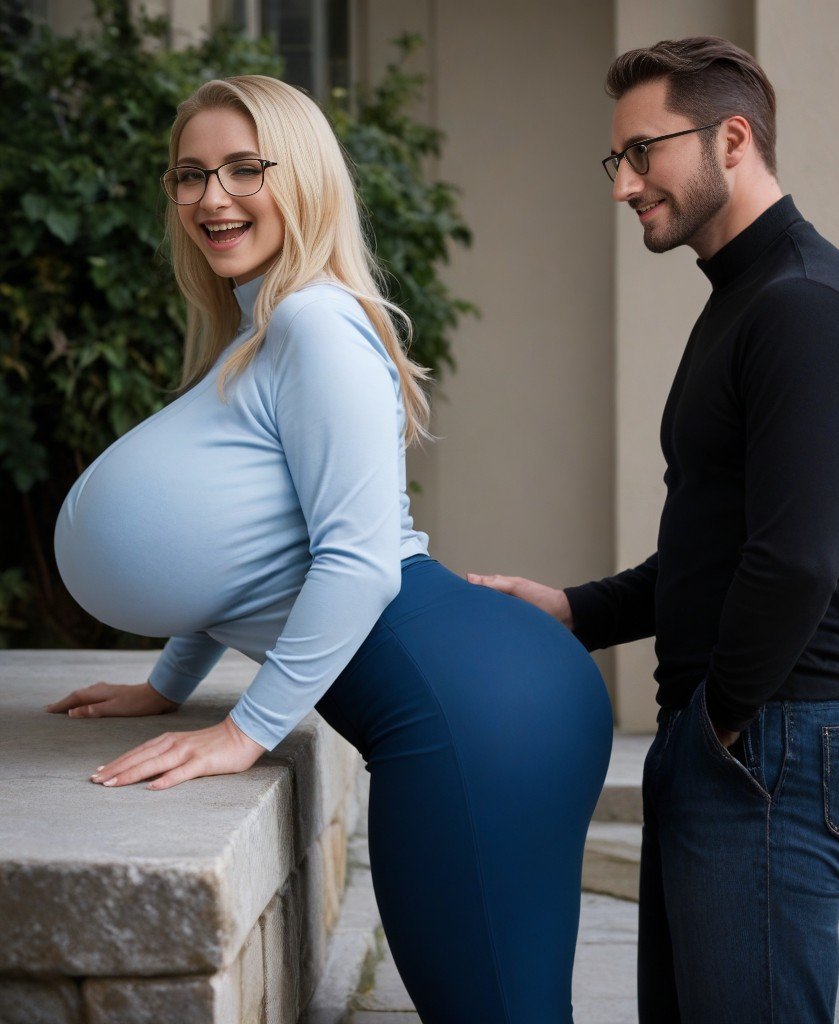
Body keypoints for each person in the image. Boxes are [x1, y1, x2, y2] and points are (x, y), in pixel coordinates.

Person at [49, 74, 612, 1023]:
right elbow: (248, 555)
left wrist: (245, 732)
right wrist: (167, 686)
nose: (211, 198)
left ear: (302, 176)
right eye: (189, 175)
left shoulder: (314, 321)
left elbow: (356, 560)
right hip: (471, 694)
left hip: (467, 707)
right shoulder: (262, 330)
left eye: (242, 168)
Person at [469, 36, 839, 1024]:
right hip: (738, 734)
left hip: (764, 740)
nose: (623, 185)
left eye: (643, 153)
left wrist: (713, 728)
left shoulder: (803, 307)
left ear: (733, 138)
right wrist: (575, 608)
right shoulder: (748, 299)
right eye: (615, 160)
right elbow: (728, 543)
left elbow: (794, 561)